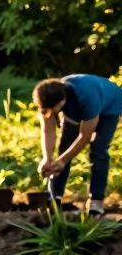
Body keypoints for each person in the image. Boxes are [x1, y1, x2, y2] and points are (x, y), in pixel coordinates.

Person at [34, 75, 122, 216]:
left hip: (109, 105)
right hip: (78, 105)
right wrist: (47, 158)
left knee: (98, 149)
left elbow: (85, 136)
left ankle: (96, 201)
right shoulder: (48, 98)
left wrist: (62, 161)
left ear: (62, 101)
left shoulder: (87, 97)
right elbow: (48, 130)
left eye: (53, 109)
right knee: (65, 145)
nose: (50, 112)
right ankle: (54, 196)